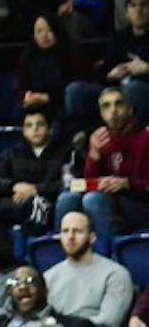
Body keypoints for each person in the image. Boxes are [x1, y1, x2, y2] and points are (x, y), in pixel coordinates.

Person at [54, 88, 149, 245]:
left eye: (118, 104)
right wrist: (94, 157)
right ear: (101, 114)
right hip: (109, 203)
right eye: (106, 106)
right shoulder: (100, 139)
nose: (113, 110)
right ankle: (62, 260)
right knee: (67, 199)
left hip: (140, 206)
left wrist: (127, 183)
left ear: (130, 110)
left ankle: (107, 257)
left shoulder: (145, 139)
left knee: (94, 200)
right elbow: (90, 183)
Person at [0, 108, 66, 234]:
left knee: (32, 206)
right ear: (24, 131)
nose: (35, 129)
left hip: (46, 205)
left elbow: (68, 184)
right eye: (29, 125)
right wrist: (14, 186)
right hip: (13, 203)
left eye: (40, 124)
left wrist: (35, 189)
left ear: (50, 129)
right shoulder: (13, 153)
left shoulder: (63, 153)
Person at [43, 212, 131, 327]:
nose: (70, 237)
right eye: (65, 231)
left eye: (77, 231)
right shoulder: (49, 276)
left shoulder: (115, 274)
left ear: (92, 237)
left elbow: (109, 323)